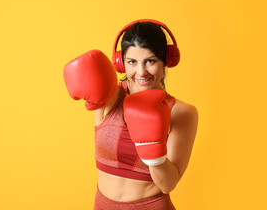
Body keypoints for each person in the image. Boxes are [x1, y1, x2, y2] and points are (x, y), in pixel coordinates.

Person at [63, 19, 198, 209]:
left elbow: (168, 184)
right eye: (132, 62)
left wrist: (154, 153)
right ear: (120, 63)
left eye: (150, 61)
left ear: (167, 60)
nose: (141, 72)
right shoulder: (109, 96)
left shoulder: (181, 112)